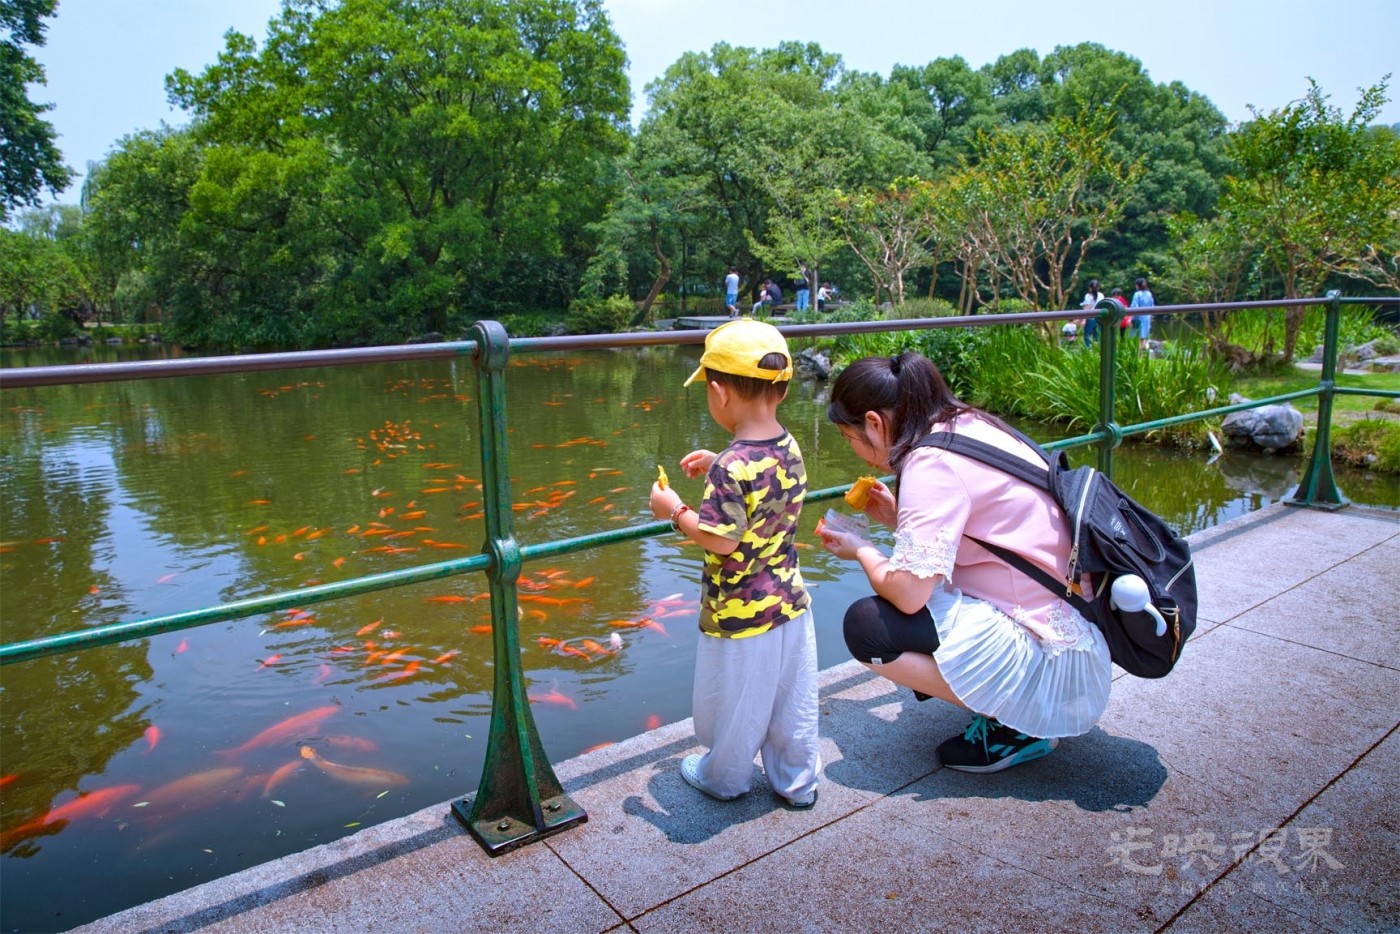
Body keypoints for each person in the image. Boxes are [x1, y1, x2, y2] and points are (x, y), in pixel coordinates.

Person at [817, 351, 1112, 772]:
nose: (855, 450)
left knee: (869, 628)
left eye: (850, 438)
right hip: (1070, 614)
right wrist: (901, 515)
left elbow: (907, 595)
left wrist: (860, 549)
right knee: (917, 596)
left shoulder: (929, 464)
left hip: (1053, 658)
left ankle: (1020, 722)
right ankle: (1012, 703)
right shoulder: (968, 423)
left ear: (874, 423)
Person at [649, 319, 820, 807]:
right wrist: (722, 457)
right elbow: (761, 480)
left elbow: (719, 541)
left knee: (738, 706)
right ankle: (797, 783)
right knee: (793, 703)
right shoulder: (787, 443)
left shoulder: (731, 467)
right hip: (789, 599)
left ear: (719, 393)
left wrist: (673, 510)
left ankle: (724, 778)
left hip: (742, 612)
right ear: (782, 391)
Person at [1130, 277, 1155, 350]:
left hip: (1138, 318)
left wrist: (1132, 319)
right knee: (1145, 337)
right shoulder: (1149, 294)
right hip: (1147, 318)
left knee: (1136, 337)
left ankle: (1137, 354)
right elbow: (1152, 305)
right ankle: (1147, 354)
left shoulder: (1137, 294)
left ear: (1137, 285)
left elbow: (1134, 306)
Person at [1080, 279, 1104, 346]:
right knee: (1097, 337)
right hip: (1099, 318)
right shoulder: (1101, 295)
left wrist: (1083, 320)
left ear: (1090, 288)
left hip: (1090, 319)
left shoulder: (1088, 296)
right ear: (1098, 287)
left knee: (1087, 336)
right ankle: (1098, 350)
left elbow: (1086, 308)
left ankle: (1088, 350)